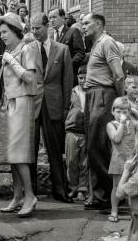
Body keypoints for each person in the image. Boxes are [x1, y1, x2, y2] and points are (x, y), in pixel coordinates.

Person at [0, 12, 37, 217]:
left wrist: (11, 61)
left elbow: (30, 77)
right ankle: (17, 196)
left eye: (4, 31)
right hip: (9, 102)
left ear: (15, 31)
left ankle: (30, 196)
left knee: (19, 154)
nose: (2, 36)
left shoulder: (27, 48)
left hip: (22, 101)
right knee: (12, 154)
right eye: (0, 32)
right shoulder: (9, 50)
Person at [29, 12, 73, 203]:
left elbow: (67, 81)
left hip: (54, 106)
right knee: (29, 149)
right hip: (32, 104)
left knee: (55, 150)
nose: (35, 32)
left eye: (37, 28)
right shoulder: (28, 48)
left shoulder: (62, 50)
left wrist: (65, 109)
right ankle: (29, 191)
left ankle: (60, 190)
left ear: (47, 27)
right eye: (32, 28)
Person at [82, 12, 124, 209]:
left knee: (97, 146)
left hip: (104, 95)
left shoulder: (107, 42)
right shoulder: (95, 44)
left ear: (98, 24)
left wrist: (121, 100)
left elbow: (118, 75)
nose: (83, 26)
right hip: (92, 95)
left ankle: (114, 195)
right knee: (93, 146)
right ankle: (101, 196)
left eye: (86, 23)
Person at [107, 97, 136, 223]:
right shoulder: (111, 125)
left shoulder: (132, 123)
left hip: (132, 159)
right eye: (118, 111)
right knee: (116, 186)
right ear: (113, 111)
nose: (121, 115)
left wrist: (133, 110)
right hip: (119, 159)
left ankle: (133, 210)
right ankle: (114, 210)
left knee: (133, 187)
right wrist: (122, 123)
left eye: (124, 112)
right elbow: (117, 139)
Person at [65, 65, 89, 201]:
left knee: (84, 162)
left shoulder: (91, 93)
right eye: (81, 78)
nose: (83, 80)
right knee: (71, 161)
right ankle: (73, 187)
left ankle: (82, 189)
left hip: (85, 131)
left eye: (86, 78)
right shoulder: (72, 92)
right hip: (72, 130)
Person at [48, 7, 86, 86]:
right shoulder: (50, 37)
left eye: (54, 17)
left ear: (62, 18)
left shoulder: (72, 31)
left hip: (69, 77)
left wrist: (67, 65)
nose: (51, 20)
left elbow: (80, 53)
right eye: (50, 18)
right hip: (54, 80)